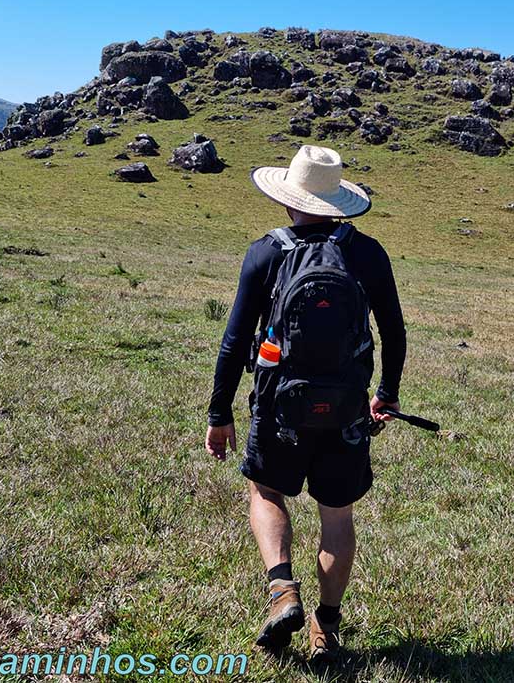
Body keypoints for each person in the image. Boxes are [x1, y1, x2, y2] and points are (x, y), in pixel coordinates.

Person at [205, 144, 406, 662]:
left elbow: (234, 341)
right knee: (336, 515)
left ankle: (281, 590)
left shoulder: (265, 252)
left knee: (266, 490)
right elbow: (395, 333)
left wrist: (219, 413)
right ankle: (327, 625)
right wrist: (385, 394)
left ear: (287, 198)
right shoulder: (367, 253)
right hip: (346, 409)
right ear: (338, 200)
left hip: (278, 405)